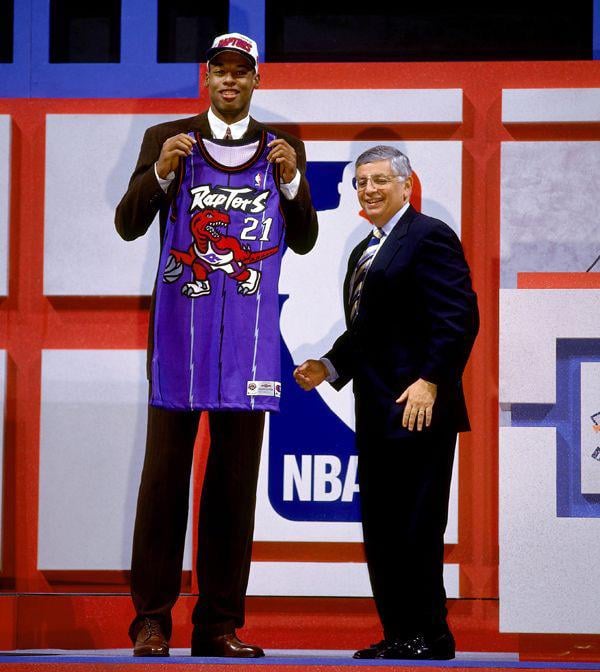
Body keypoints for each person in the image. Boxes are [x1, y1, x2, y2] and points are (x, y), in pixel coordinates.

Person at [115, 32, 317, 658]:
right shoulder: (168, 138)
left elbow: (304, 239)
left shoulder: (283, 146)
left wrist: (291, 183)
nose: (230, 80)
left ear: (257, 80)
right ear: (207, 77)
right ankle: (151, 620)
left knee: (233, 485)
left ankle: (219, 624)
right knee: (163, 481)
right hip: (180, 338)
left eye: (241, 71)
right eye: (220, 70)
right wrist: (160, 173)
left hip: (248, 346)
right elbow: (127, 224)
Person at [294, 145, 478, 660]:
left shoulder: (429, 236)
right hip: (375, 410)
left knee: (418, 525)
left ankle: (432, 635)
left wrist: (432, 380)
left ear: (406, 185)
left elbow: (459, 318)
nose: (369, 189)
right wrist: (328, 366)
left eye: (380, 180)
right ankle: (400, 633)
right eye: (361, 181)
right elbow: (366, 333)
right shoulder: (364, 250)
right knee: (382, 527)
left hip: (420, 409)